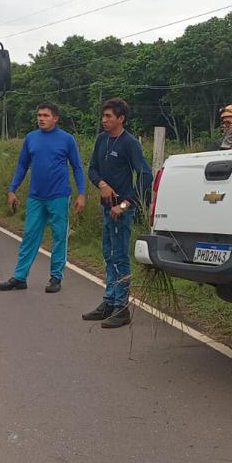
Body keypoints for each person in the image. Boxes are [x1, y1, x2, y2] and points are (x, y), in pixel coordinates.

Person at [0, 102, 86, 294]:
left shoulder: (66, 139)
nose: (41, 119)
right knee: (29, 235)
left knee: (59, 236)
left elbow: (77, 167)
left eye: (45, 115)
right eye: (39, 115)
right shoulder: (31, 138)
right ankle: (20, 277)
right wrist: (12, 189)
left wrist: (82, 193)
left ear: (55, 118)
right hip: (36, 196)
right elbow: (22, 165)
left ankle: (56, 277)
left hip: (59, 195)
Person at [84, 98, 152, 329]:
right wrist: (101, 184)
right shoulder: (102, 140)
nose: (104, 120)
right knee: (108, 254)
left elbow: (145, 175)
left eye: (109, 116)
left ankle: (122, 308)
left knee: (121, 257)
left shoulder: (129, 143)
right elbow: (92, 168)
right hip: (106, 209)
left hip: (122, 210)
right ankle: (109, 301)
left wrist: (124, 204)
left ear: (120, 118)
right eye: (103, 116)